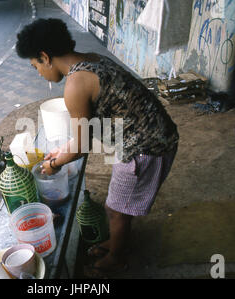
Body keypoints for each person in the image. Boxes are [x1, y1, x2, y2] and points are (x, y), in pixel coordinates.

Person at [15, 18, 179, 278]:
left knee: (116, 209)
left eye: (35, 66)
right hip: (150, 135)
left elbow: (81, 147)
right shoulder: (92, 59)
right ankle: (116, 242)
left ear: (45, 57)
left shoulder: (75, 84)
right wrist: (62, 150)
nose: (38, 72)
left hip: (146, 148)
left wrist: (53, 164)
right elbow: (88, 131)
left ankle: (117, 258)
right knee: (119, 205)